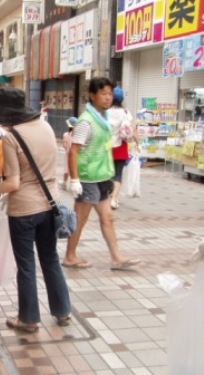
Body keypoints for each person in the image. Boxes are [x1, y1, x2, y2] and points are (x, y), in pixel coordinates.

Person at [0, 87, 71, 333]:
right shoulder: (47, 127)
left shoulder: (11, 137)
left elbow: (13, 183)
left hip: (24, 211)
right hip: (51, 205)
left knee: (26, 264)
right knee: (50, 259)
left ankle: (28, 319)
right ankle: (62, 312)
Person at [63, 77, 141, 270]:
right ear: (92, 95)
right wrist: (74, 180)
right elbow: (74, 151)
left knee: (108, 217)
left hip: (103, 176)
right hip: (88, 178)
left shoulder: (104, 119)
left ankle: (116, 257)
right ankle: (70, 256)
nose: (108, 98)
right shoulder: (86, 122)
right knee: (80, 219)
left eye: (110, 94)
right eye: (103, 94)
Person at [109, 87, 140, 209]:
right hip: (121, 146)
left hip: (106, 147)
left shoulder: (106, 112)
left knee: (108, 174)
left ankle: (109, 195)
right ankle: (114, 199)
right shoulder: (125, 112)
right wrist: (138, 144)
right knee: (118, 174)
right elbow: (133, 129)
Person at [59, 117, 78, 190]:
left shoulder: (66, 135)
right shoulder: (77, 135)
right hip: (76, 155)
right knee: (75, 169)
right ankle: (74, 183)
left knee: (66, 169)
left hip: (68, 155)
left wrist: (67, 148)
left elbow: (64, 145)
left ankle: (64, 183)